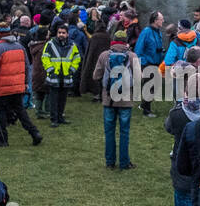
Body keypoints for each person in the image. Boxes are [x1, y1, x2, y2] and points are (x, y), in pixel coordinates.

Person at [0, 22, 43, 147]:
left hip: (1, 87)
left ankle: (2, 139)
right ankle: (34, 133)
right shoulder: (20, 47)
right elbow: (26, 66)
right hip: (17, 86)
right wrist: (25, 83)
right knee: (21, 111)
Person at [92, 30, 140, 170]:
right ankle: (124, 163)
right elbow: (139, 77)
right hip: (125, 99)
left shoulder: (104, 55)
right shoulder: (132, 56)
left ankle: (110, 162)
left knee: (109, 132)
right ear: (126, 41)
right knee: (124, 132)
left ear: (112, 40)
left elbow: (95, 76)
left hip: (108, 99)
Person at [41, 22, 81, 127]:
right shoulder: (50, 44)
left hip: (66, 76)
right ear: (56, 33)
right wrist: (51, 70)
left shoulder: (72, 45)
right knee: (54, 99)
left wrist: (72, 69)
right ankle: (54, 119)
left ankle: (60, 117)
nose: (61, 34)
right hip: (54, 76)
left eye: (63, 33)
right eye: (59, 32)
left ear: (67, 34)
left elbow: (77, 58)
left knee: (63, 99)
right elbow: (45, 57)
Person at [133, 11, 165, 117]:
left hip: (156, 63)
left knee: (155, 86)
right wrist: (142, 65)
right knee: (150, 87)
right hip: (148, 63)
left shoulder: (158, 32)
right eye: (161, 19)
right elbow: (138, 49)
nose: (163, 21)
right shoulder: (146, 32)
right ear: (155, 20)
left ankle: (143, 105)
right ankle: (146, 111)